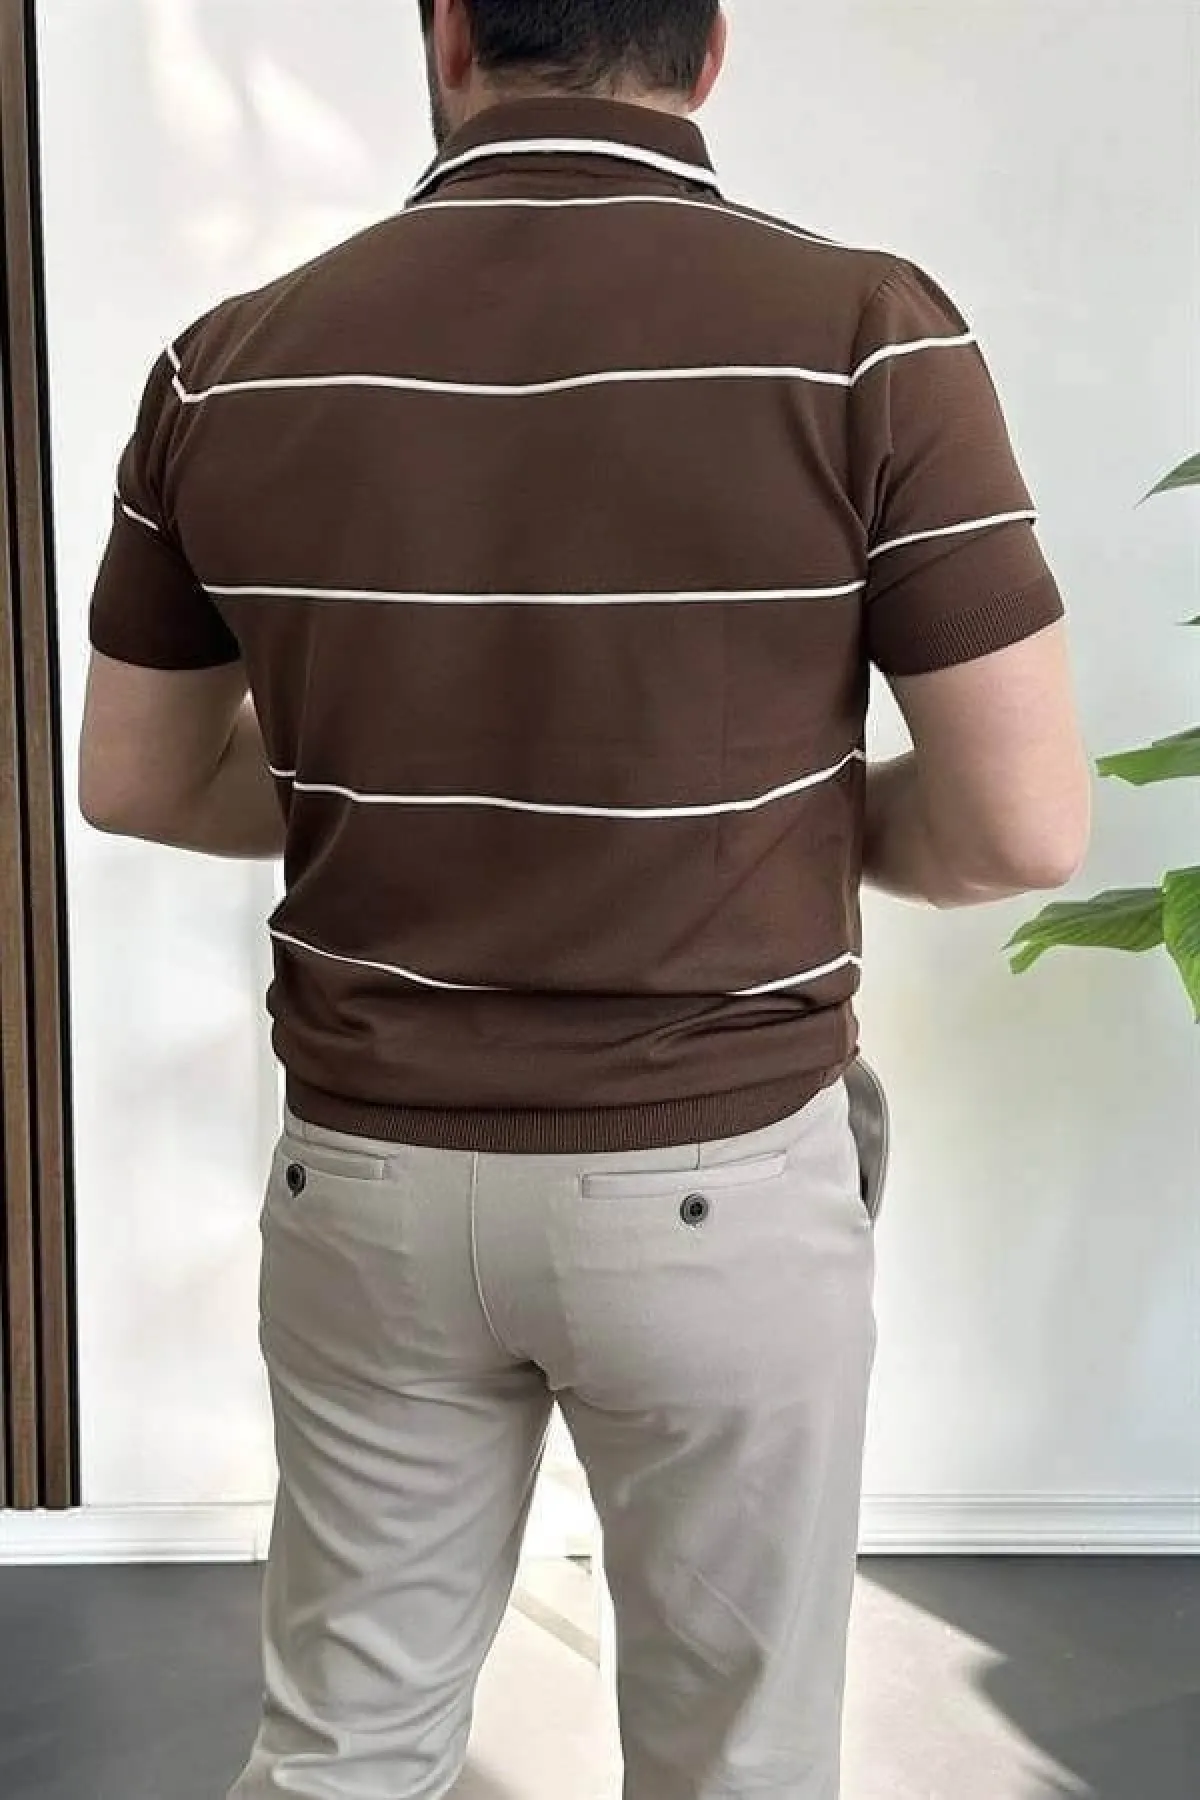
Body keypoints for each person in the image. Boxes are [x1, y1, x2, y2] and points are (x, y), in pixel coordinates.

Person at [78, 2, 1092, 1794]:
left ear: (448, 34)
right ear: (709, 51)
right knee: (736, 1761)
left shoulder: (225, 364)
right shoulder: (870, 339)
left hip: (369, 1184)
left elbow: (138, 780)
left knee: (340, 1749)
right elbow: (1019, 831)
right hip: (719, 1174)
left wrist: (405, 799)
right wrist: (781, 830)